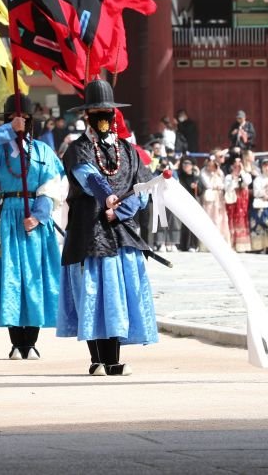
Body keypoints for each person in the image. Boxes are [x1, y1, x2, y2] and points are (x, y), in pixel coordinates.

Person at [57, 80, 157, 377]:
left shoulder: (128, 149)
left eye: (107, 113)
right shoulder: (78, 149)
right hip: (89, 231)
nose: (103, 118)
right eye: (96, 113)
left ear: (114, 116)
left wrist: (123, 210)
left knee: (118, 294)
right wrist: (107, 198)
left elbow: (145, 186)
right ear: (86, 116)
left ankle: (111, 359)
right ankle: (99, 358)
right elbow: (88, 177)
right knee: (95, 293)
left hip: (122, 230)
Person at [0, 95, 66, 360]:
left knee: (34, 278)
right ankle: (15, 341)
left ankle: (32, 341)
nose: (20, 123)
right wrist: (6, 131)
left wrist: (39, 214)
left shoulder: (44, 151)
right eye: (13, 119)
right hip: (6, 217)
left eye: (24, 119)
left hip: (34, 218)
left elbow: (52, 184)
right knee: (10, 278)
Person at [199, 154, 230, 247]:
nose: (211, 167)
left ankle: (221, 241)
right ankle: (207, 243)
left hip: (219, 197)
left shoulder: (219, 172)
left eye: (213, 165)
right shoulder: (203, 172)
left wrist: (217, 173)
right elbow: (207, 184)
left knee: (220, 217)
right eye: (209, 165)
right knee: (210, 217)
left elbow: (223, 184)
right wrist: (213, 176)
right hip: (210, 197)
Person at [224, 156, 252, 252]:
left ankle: (242, 245)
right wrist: (233, 178)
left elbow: (248, 182)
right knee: (231, 220)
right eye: (235, 165)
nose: (237, 167)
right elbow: (228, 189)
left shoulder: (246, 175)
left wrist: (242, 172)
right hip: (232, 201)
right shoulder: (228, 177)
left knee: (241, 220)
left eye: (239, 164)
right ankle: (231, 243)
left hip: (242, 201)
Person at [175, 158, 202, 252]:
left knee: (194, 224)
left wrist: (196, 187)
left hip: (193, 202)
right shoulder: (179, 175)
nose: (185, 165)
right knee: (184, 224)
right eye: (184, 163)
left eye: (187, 163)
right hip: (182, 202)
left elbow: (200, 191)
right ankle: (183, 245)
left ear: (192, 165)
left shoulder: (196, 177)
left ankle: (193, 245)